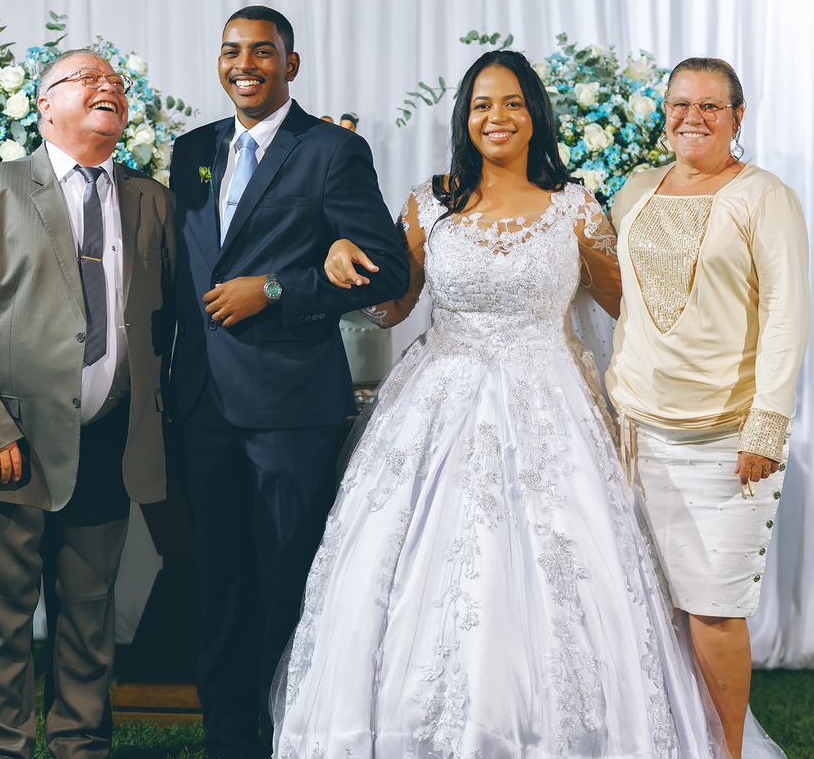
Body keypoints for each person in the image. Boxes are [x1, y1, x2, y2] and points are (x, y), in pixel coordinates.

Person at [271, 50, 729, 758]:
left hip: (552, 414)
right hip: (436, 408)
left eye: (512, 102)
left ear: (535, 114)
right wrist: (339, 254)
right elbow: (391, 308)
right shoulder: (429, 203)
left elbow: (636, 310)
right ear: (464, 117)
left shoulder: (575, 206)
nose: (497, 117)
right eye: (482, 104)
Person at [167, 6, 409, 758]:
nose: (245, 64)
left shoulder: (332, 150)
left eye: (262, 52)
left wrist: (273, 289)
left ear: (291, 65)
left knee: (288, 583)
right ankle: (225, 740)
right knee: (218, 583)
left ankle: (290, 735)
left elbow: (388, 270)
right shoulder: (191, 150)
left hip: (290, 406)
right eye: (231, 51)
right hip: (202, 401)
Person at [0, 49, 176, 757]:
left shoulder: (150, 199)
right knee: (1, 621)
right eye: (89, 79)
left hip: (109, 441)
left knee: (90, 621)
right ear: (43, 104)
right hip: (11, 446)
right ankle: (2, 750)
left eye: (116, 83)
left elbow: (163, 324)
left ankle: (81, 745)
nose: (108, 88)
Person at [605, 57, 810, 757]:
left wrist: (767, 426)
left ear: (737, 116)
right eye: (679, 104)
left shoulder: (766, 197)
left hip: (726, 439)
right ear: (663, 112)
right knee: (647, 608)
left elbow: (787, 315)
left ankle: (729, 751)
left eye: (710, 106)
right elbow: (619, 292)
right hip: (636, 431)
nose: (692, 117)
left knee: (714, 611)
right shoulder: (636, 189)